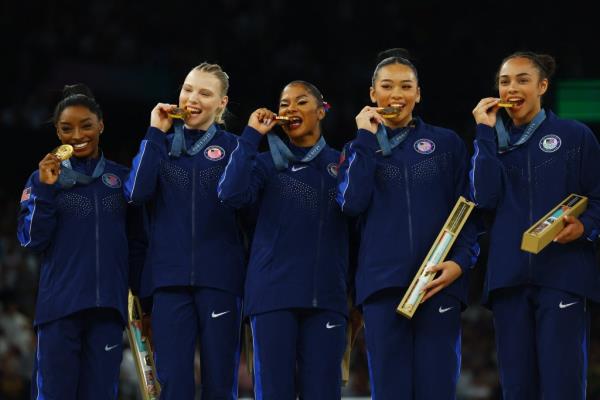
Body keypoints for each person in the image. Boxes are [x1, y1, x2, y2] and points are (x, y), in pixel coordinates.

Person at [336, 48, 479, 399]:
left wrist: (460, 263)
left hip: (438, 283)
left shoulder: (446, 144)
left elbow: (467, 210)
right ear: (373, 94)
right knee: (390, 392)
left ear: (418, 94)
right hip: (382, 287)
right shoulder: (356, 149)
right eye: (386, 86)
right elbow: (351, 204)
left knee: (437, 390)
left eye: (405, 86)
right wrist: (365, 140)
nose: (396, 94)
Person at [470, 51, 600, 399]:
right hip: (508, 279)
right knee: (518, 390)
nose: (512, 87)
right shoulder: (491, 144)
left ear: (542, 85)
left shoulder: (575, 136)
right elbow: (483, 198)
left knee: (563, 386)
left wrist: (585, 227)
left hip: (563, 274)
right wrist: (484, 133)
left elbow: (598, 197)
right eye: (504, 81)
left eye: (522, 79)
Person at [217, 81, 350, 399]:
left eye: (301, 102)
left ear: (321, 111)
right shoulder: (264, 164)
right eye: (284, 104)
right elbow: (230, 193)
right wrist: (251, 137)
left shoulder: (343, 164)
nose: (290, 109)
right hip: (273, 297)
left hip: (327, 298)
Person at [16, 84, 147, 400]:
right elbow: (32, 240)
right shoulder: (44, 178)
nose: (77, 135)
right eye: (67, 128)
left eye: (86, 125)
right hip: (60, 309)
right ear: (58, 133)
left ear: (101, 125)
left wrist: (142, 300)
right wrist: (46, 190)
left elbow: (137, 244)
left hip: (107, 309)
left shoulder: (120, 180)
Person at [124, 63, 246, 399]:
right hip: (168, 282)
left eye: (205, 93)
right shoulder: (159, 145)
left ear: (222, 103)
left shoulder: (236, 148)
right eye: (188, 89)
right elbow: (135, 193)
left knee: (219, 384)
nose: (192, 98)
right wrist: (154, 132)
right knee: (173, 384)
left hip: (220, 281)